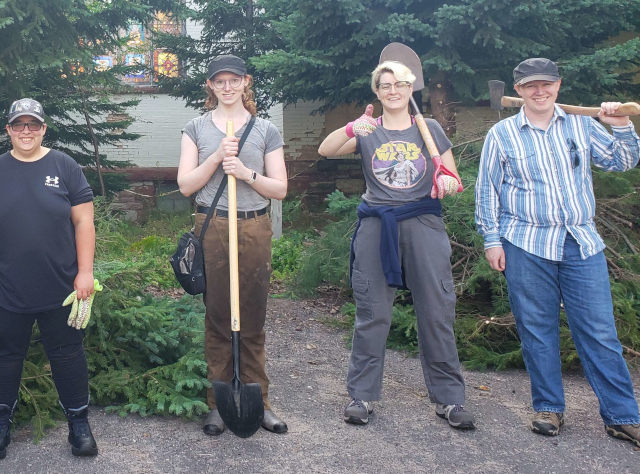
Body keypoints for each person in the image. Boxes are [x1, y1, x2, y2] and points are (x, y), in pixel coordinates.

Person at [475, 58, 640, 444]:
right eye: (530, 85)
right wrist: (492, 240)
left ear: (558, 85)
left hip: (581, 243)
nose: (539, 91)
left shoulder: (582, 126)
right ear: (518, 90)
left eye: (546, 84)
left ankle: (622, 415)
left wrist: (620, 125)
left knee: (599, 331)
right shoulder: (502, 134)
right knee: (537, 329)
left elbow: (624, 161)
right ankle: (548, 407)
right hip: (525, 244)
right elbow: (487, 191)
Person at [317, 60, 474, 430]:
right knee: (373, 312)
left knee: (436, 311)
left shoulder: (429, 128)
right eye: (385, 85)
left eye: (399, 84)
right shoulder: (369, 129)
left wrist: (448, 182)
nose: (392, 91)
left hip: (423, 223)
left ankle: (450, 400)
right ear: (377, 91)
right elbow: (326, 149)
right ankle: (362, 396)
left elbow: (451, 176)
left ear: (410, 89)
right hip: (377, 224)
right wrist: (352, 126)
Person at [0, 98, 98, 459]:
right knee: (4, 355)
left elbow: (84, 221)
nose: (27, 131)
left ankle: (79, 425)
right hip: (4, 286)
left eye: (33, 125)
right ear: (8, 130)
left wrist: (85, 272)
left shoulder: (65, 166)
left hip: (62, 285)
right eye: (19, 125)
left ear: (44, 128)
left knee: (68, 354)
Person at [176, 55, 289, 436]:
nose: (227, 87)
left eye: (234, 80)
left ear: (245, 82)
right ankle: (218, 405)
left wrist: (245, 171)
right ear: (210, 86)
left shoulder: (266, 130)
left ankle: (262, 404)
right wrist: (216, 158)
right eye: (219, 81)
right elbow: (186, 185)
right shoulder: (195, 127)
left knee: (253, 317)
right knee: (220, 317)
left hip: (254, 225)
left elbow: (281, 189)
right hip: (213, 225)